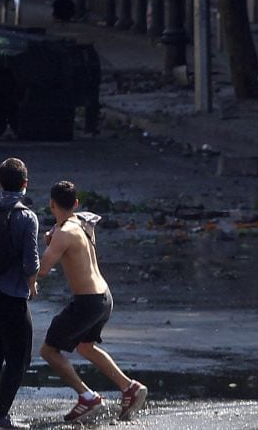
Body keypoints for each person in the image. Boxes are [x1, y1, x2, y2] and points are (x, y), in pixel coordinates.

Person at [37, 181, 148, 423]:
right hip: (104, 298)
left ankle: (88, 397)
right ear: (75, 203)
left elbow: (42, 269)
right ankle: (129, 387)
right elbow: (69, 239)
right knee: (85, 347)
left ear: (51, 204)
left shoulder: (63, 233)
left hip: (87, 302)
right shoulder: (82, 223)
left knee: (48, 351)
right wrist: (54, 234)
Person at [0, 157, 39, 429]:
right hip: (10, 294)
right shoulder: (27, 217)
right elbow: (31, 262)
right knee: (19, 356)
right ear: (25, 183)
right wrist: (32, 283)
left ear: (0, 182)